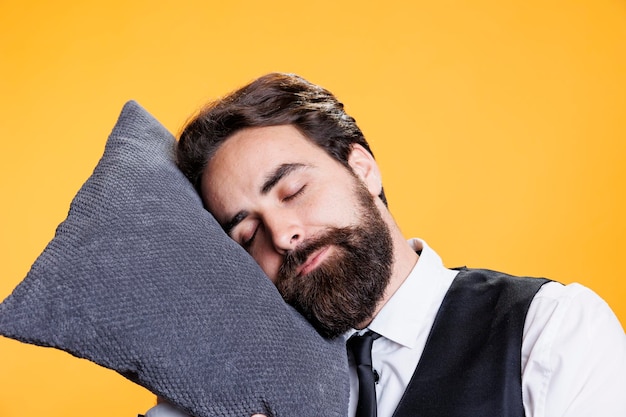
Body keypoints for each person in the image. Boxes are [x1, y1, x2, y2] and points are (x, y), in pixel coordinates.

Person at [144, 73, 626, 417]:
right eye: (248, 235)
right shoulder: (235, 382)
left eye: (294, 192)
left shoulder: (551, 329)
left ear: (362, 169)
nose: (283, 235)